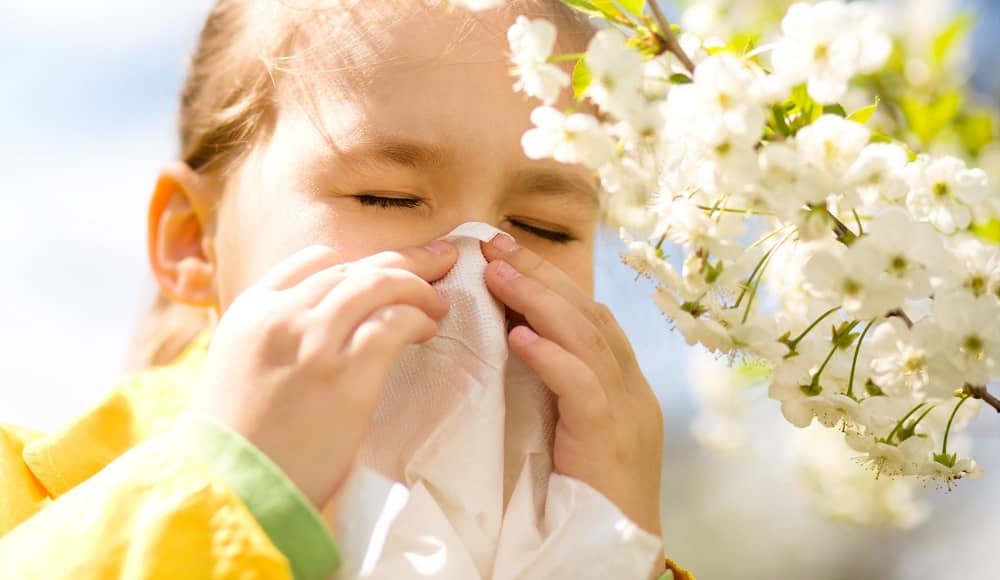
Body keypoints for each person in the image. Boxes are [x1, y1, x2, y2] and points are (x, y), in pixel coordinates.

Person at [0, 1, 691, 578]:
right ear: (193, 239)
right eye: (385, 198)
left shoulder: (595, 529)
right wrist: (232, 493)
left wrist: (618, 549)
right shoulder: (23, 500)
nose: (472, 268)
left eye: (544, 228)